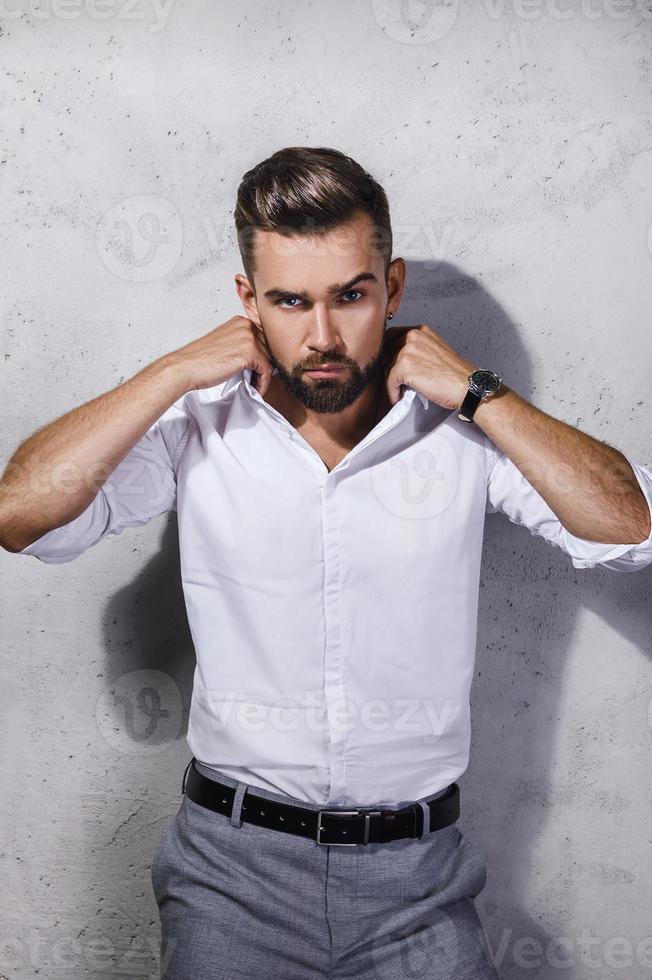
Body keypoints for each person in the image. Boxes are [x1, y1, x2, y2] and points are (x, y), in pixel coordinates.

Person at [2, 146, 651, 980]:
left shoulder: (459, 431)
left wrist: (481, 392)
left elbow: (631, 528)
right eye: (289, 301)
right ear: (247, 301)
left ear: (394, 286)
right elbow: (20, 515)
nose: (322, 337)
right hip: (230, 878)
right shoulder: (199, 427)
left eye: (351, 295)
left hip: (419, 886)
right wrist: (171, 373)